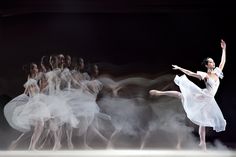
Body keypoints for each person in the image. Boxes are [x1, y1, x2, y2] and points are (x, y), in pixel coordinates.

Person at [149, 39, 227, 150]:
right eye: (210, 62)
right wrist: (180, 68)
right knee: (182, 95)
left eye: (213, 61)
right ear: (206, 65)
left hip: (209, 98)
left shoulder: (217, 72)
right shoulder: (204, 75)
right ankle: (160, 93)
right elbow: (190, 73)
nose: (213, 63)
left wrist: (224, 49)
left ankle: (202, 143)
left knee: (202, 121)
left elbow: (222, 62)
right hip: (204, 95)